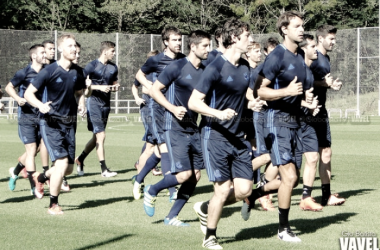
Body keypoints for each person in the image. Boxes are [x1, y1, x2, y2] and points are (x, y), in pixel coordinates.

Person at [189, 18, 261, 249]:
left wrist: (253, 103)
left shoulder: (246, 68)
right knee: (221, 189)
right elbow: (193, 102)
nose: (250, 39)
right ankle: (210, 237)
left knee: (244, 190)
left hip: (237, 137)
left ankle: (205, 208)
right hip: (215, 134)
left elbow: (244, 96)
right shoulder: (215, 67)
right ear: (234, 39)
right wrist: (217, 114)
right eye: (247, 35)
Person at [143, 30, 211, 226]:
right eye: (205, 46)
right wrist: (172, 108)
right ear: (194, 46)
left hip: (193, 127)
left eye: (209, 45)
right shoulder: (177, 66)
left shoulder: (205, 71)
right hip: (174, 126)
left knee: (195, 176)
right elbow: (154, 90)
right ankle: (152, 190)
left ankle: (171, 216)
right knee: (183, 175)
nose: (208, 49)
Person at [253, 11, 308, 242]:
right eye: (296, 26)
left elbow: (298, 89)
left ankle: (253, 194)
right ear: (284, 30)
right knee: (289, 176)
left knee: (292, 179)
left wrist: (307, 100)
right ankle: (283, 229)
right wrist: (286, 92)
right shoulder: (277, 55)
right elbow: (260, 90)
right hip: (277, 122)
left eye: (302, 26)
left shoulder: (301, 54)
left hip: (296, 122)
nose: (302, 30)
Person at [25, 34, 87, 215]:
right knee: (60, 164)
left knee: (67, 169)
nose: (74, 49)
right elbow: (29, 94)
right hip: (50, 122)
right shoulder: (49, 71)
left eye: (75, 46)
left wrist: (81, 104)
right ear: (60, 49)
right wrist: (40, 105)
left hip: (70, 123)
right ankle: (53, 204)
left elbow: (79, 92)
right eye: (69, 46)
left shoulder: (79, 72)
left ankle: (42, 177)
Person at [134, 26, 186, 201]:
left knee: (158, 149)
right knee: (164, 147)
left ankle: (138, 179)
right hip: (157, 109)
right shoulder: (156, 60)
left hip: (175, 109)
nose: (178, 43)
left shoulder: (184, 59)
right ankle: (172, 191)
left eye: (180, 40)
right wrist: (150, 88)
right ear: (165, 42)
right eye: (174, 40)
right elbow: (139, 75)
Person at [5, 44, 48, 195]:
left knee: (38, 148)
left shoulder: (48, 71)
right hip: (26, 116)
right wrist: (18, 98)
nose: (45, 54)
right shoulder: (23, 73)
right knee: (31, 150)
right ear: (34, 56)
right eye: (42, 52)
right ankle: (34, 185)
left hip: (43, 116)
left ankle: (15, 171)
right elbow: (9, 87)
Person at [309, 24, 345, 207]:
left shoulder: (326, 58)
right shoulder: (312, 56)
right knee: (309, 156)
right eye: (331, 38)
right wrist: (324, 84)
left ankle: (325, 195)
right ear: (320, 38)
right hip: (309, 111)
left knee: (325, 152)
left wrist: (331, 85)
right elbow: (305, 81)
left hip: (321, 111)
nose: (334, 42)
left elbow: (323, 83)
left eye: (334, 38)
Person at [75, 41, 120, 177]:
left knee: (96, 137)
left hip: (106, 105)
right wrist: (97, 87)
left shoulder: (113, 67)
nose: (114, 53)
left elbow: (114, 83)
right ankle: (104, 169)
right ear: (105, 51)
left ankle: (80, 159)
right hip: (93, 103)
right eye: (112, 51)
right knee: (101, 135)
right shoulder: (92, 65)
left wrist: (115, 87)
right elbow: (81, 84)